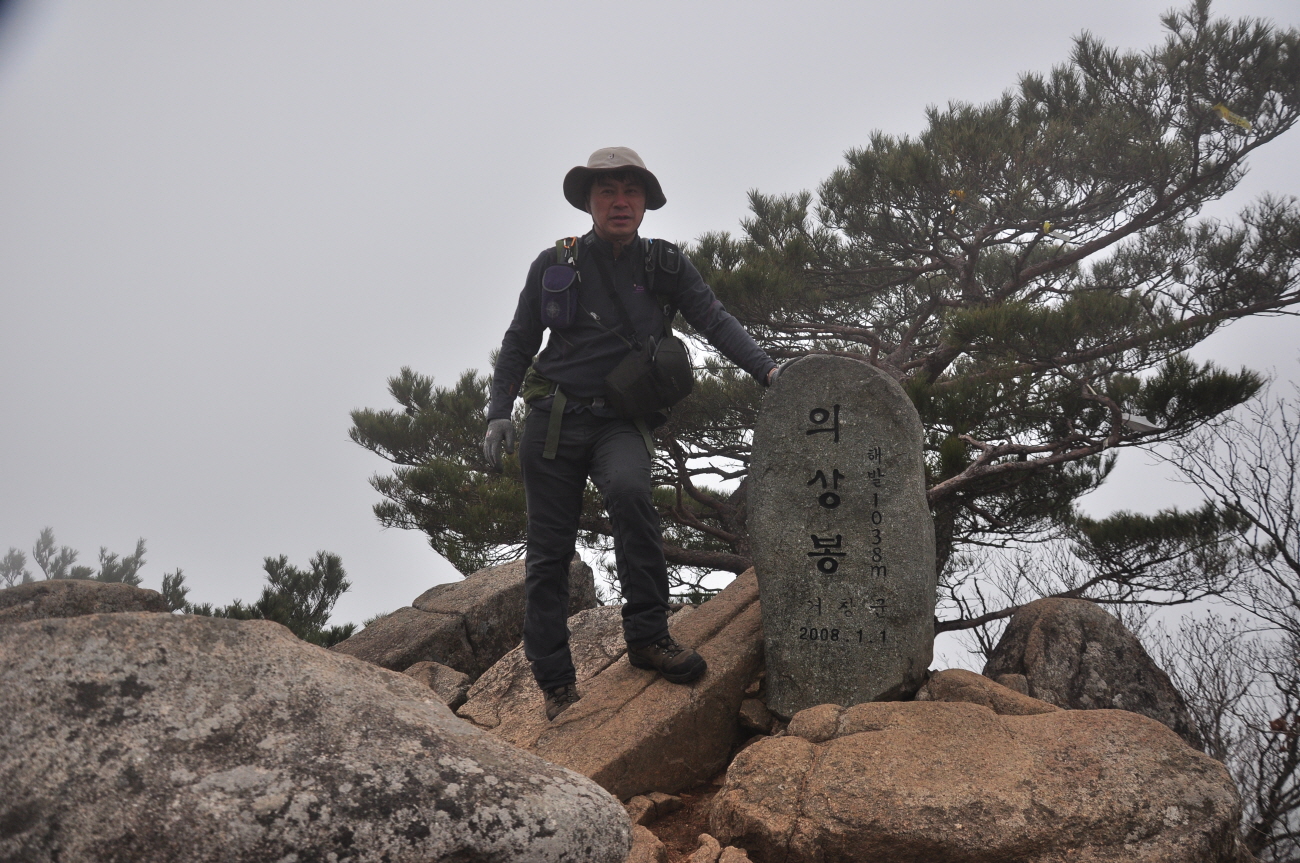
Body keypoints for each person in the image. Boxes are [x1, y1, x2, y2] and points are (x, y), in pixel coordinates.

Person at [483, 147, 779, 720]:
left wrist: (768, 370)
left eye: (631, 191)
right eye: (607, 191)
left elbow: (714, 319)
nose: (620, 202)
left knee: (631, 495)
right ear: (589, 202)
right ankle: (557, 683)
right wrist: (499, 410)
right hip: (552, 422)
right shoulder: (554, 264)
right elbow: (520, 340)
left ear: (645, 203)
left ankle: (647, 637)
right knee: (548, 554)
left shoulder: (664, 264)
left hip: (619, 420)